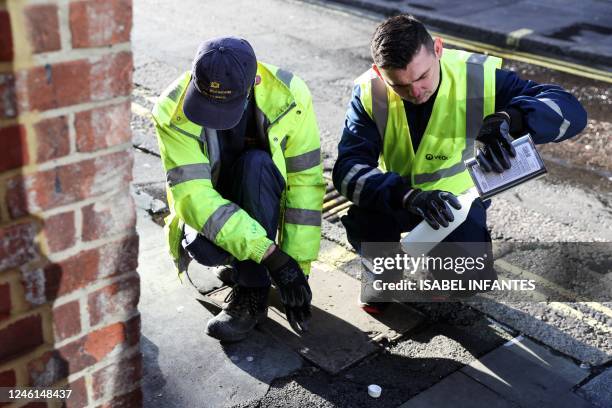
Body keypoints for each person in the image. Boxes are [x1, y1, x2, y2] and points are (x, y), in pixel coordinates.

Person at [332, 15, 587, 311]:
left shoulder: (477, 75)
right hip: (400, 199)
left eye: (422, 76)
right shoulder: (369, 92)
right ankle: (383, 272)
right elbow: (347, 171)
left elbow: (571, 111)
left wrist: (508, 118)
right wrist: (408, 196)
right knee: (366, 217)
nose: (415, 92)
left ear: (438, 49)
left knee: (467, 283)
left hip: (458, 204)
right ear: (379, 71)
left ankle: (445, 267)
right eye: (400, 86)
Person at [152, 37, 325, 341]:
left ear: (255, 80)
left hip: (262, 191)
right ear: (194, 78)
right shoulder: (171, 110)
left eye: (226, 107)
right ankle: (252, 289)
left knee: (255, 165)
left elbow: (305, 184)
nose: (215, 118)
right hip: (212, 210)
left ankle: (249, 270)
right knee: (203, 248)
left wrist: (295, 268)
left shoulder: (290, 97)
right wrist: (269, 255)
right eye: (207, 104)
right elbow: (194, 197)